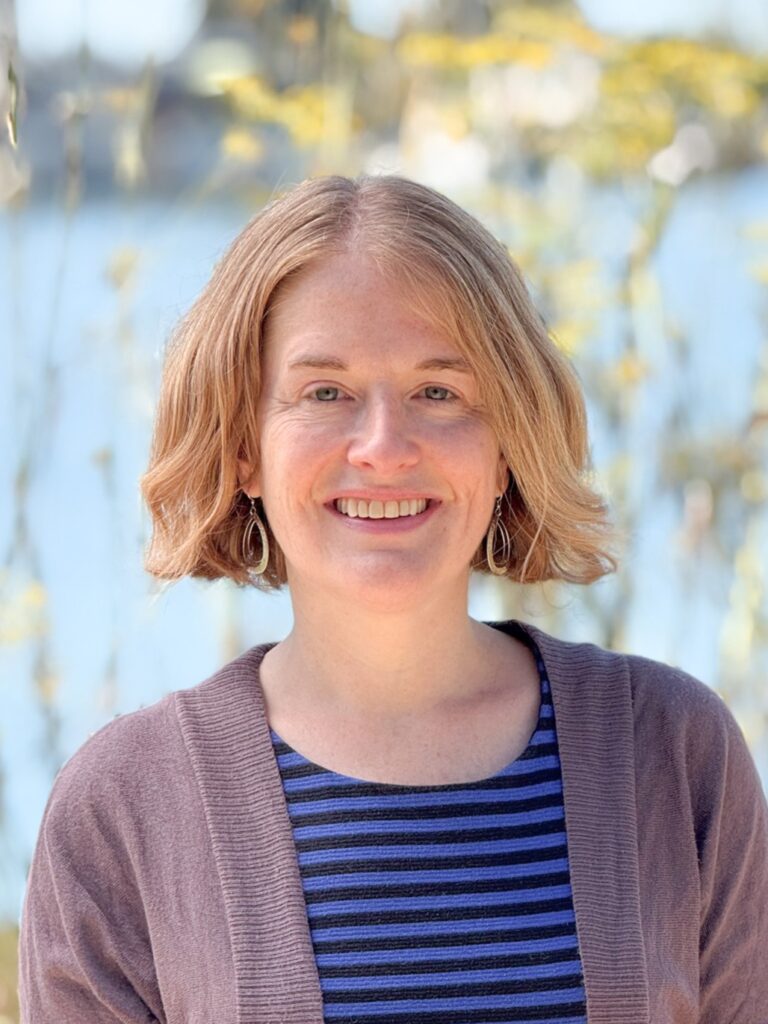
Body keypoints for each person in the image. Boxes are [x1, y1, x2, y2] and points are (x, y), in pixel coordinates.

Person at [18, 174, 768, 1024]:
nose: (383, 446)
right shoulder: (122, 809)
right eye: (325, 392)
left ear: (507, 445)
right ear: (242, 448)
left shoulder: (672, 754)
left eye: (438, 392)